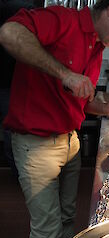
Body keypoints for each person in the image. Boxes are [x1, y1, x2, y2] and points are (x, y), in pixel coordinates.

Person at [0, 0, 109, 238]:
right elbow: (9, 33)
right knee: (47, 228)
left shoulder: (98, 45)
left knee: (68, 219)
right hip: (37, 145)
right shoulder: (62, 19)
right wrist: (64, 73)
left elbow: (79, 99)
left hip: (70, 141)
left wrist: (107, 109)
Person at [0, 0, 35, 177]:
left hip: (11, 81)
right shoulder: (23, 8)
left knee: (12, 131)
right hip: (11, 81)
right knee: (13, 131)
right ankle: (19, 175)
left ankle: (18, 174)